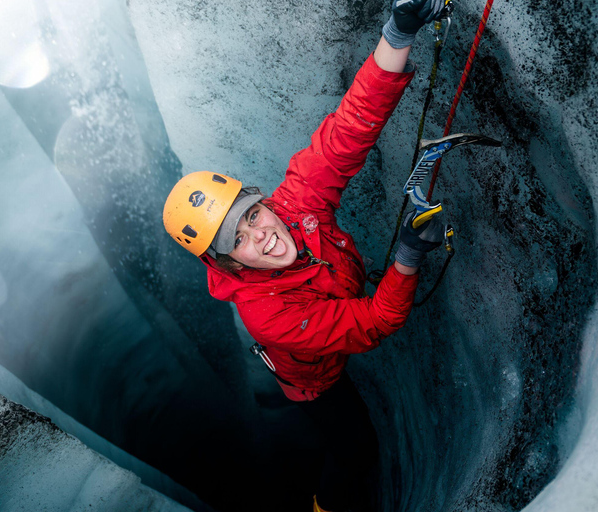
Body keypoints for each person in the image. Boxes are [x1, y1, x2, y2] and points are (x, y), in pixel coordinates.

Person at [163, 1, 447, 510]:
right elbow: (375, 321)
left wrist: (398, 32)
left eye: (252, 214)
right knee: (355, 450)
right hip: (316, 379)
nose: (263, 234)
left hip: (333, 304)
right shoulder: (268, 315)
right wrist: (407, 258)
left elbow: (348, 131)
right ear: (226, 264)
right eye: (238, 240)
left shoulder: (293, 207)